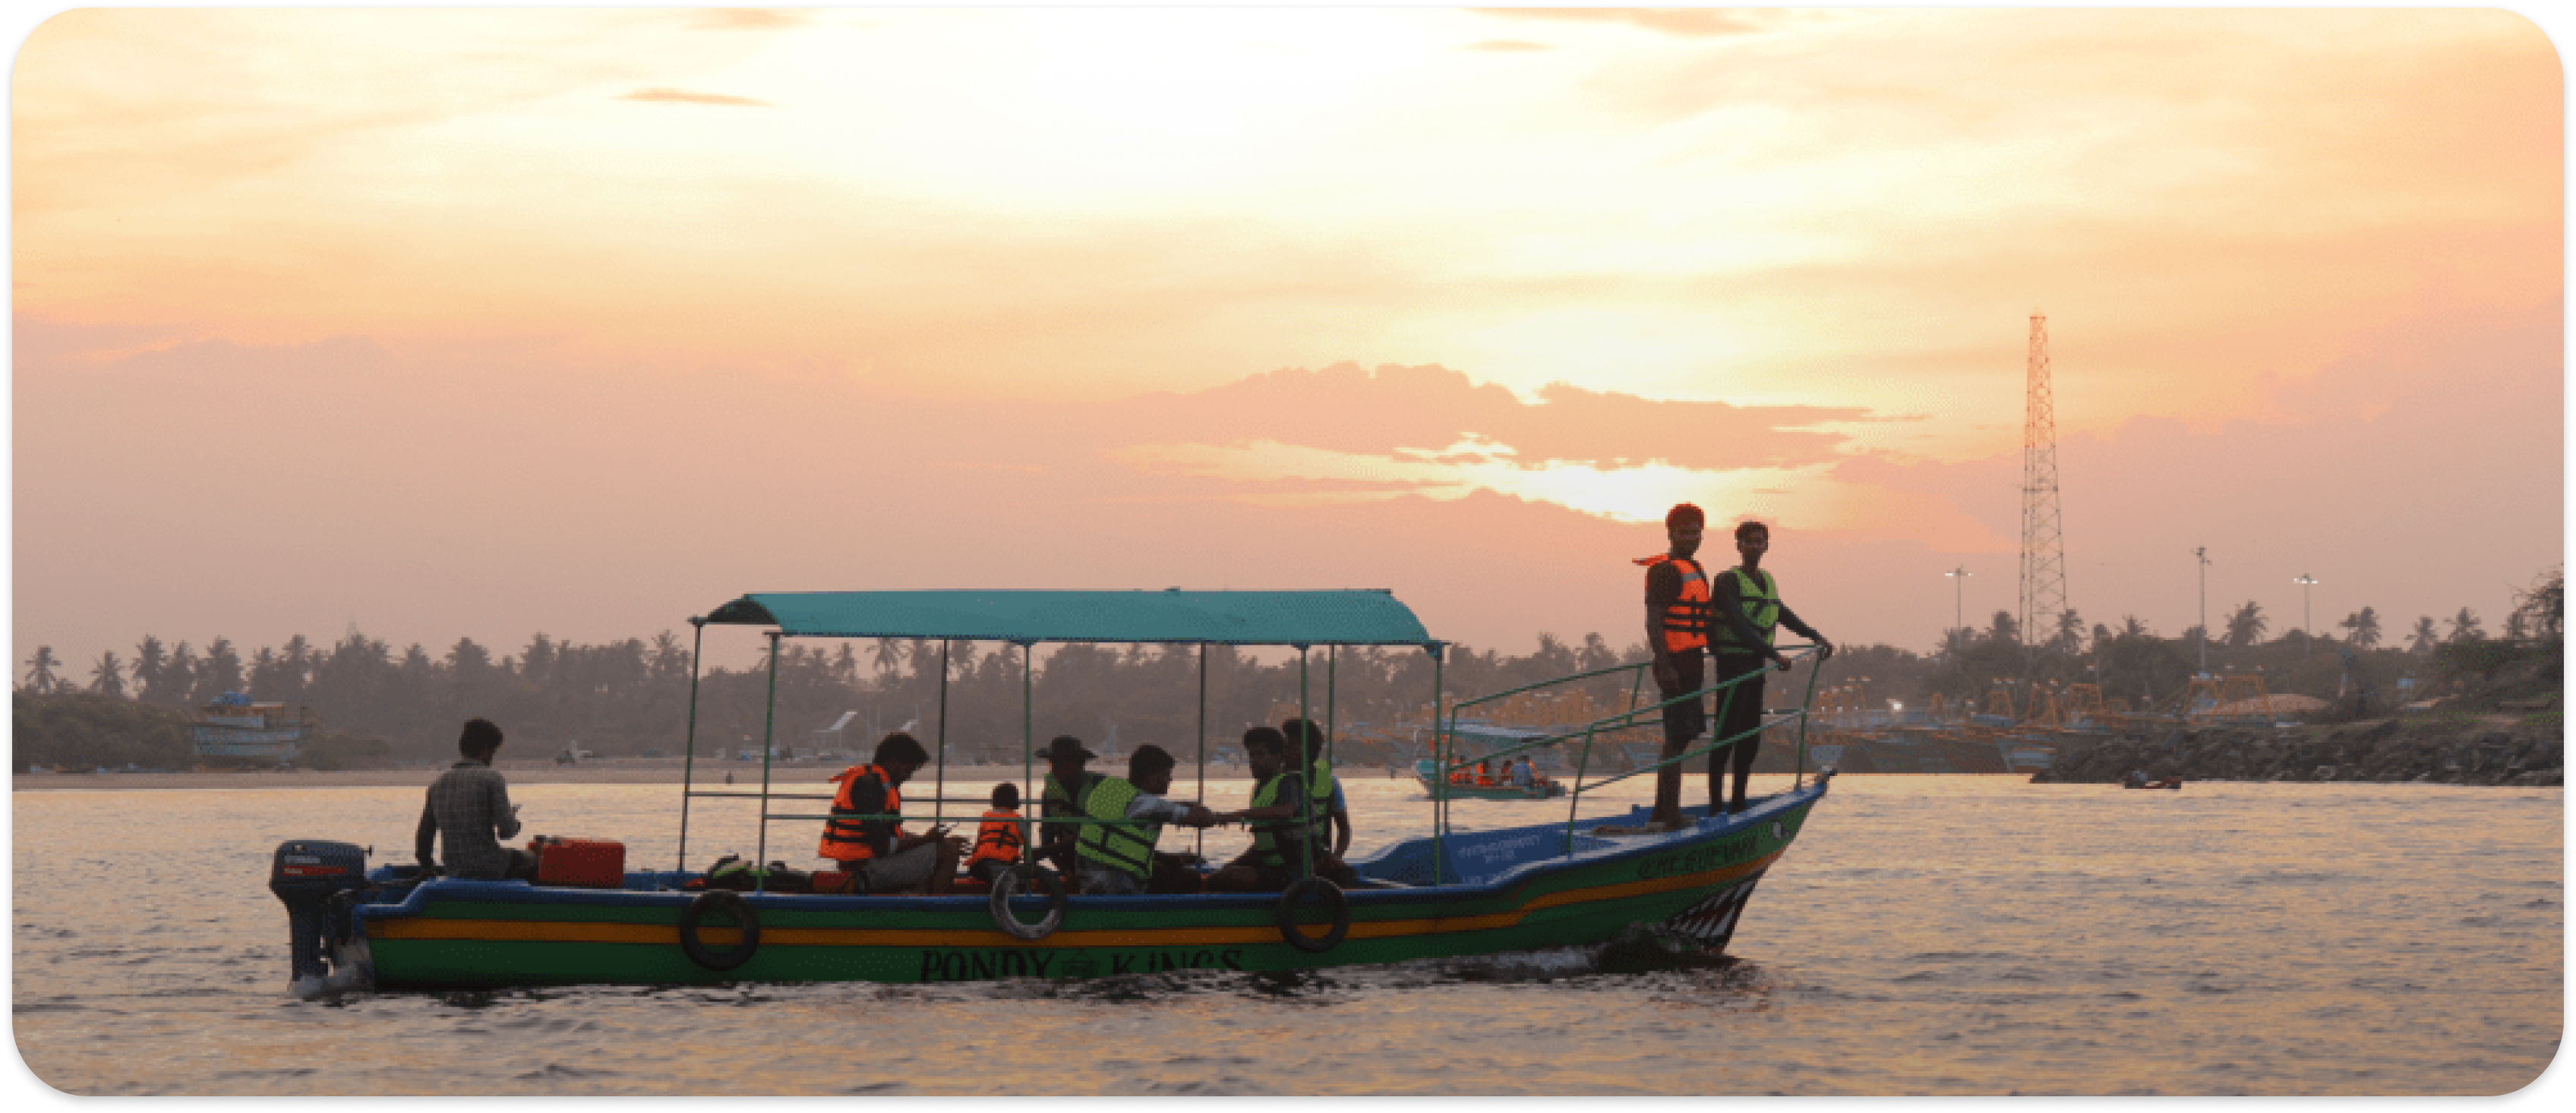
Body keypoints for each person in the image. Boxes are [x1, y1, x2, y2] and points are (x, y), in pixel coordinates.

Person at [1706, 520, 1833, 815]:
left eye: (1759, 541)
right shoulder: (1727, 580)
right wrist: (1773, 654)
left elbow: (1781, 613)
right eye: (1749, 541)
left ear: (1766, 546)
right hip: (1732, 665)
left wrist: (1814, 636)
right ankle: (1715, 808)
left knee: (1750, 738)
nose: (1754, 546)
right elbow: (1738, 623)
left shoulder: (1767, 580)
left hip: (1755, 666)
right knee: (1725, 735)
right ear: (1738, 545)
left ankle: (1738, 803)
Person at [1641, 503, 1715, 829]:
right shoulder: (1666, 571)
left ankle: (1662, 811)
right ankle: (1669, 814)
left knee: (1682, 737)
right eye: (1684, 532)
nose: (1691, 538)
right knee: (1676, 738)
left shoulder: (1694, 568)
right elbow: (1653, 620)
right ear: (1670, 534)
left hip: (1692, 660)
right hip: (1675, 664)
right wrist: (1666, 665)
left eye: (1696, 532)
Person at [818, 732, 965, 894]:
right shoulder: (869, 786)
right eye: (910, 769)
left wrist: (931, 839)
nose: (909, 776)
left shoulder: (873, 782)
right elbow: (883, 847)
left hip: (867, 863)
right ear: (894, 763)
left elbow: (888, 834)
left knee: (944, 846)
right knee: (949, 852)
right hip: (865, 870)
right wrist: (928, 840)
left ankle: (916, 899)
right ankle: (936, 908)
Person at [1072, 744, 1221, 895]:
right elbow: (1203, 818)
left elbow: (1139, 815)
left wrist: (1168, 858)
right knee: (1191, 879)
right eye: (1167, 774)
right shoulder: (1146, 803)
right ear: (1152, 776)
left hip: (1088, 877)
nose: (1170, 779)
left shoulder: (1112, 789)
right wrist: (1217, 816)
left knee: (1167, 871)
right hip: (1118, 885)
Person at [415, 717, 535, 880]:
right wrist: (514, 820)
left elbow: (424, 836)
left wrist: (427, 867)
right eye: (493, 752)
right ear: (486, 750)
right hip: (490, 866)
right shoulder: (492, 779)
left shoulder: (437, 785)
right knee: (533, 859)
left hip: (452, 868)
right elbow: (507, 832)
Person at [1204, 727, 1310, 893]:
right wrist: (1233, 864)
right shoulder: (1259, 789)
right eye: (1251, 755)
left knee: (1223, 879)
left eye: (1260, 755)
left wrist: (1237, 815)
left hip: (1290, 872)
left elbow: (1286, 812)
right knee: (1219, 873)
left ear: (1278, 756)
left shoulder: (1289, 783)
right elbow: (1263, 844)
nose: (1254, 761)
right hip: (1269, 865)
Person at [1282, 717, 1350, 859]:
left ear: (1309, 749)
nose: (1285, 751)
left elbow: (1344, 828)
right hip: (1281, 859)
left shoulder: (1330, 782)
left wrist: (1336, 857)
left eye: (1290, 745)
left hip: (1317, 856)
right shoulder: (1274, 780)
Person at [1035, 735, 1099, 877]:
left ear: (1077, 764)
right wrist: (1066, 872)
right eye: (1051, 763)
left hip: (1099, 859)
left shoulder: (1099, 787)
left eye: (1057, 763)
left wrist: (1047, 851)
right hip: (1068, 859)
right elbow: (1047, 839)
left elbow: (1099, 834)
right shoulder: (1049, 794)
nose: (1052, 769)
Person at [962, 782, 1026, 883]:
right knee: (1009, 880)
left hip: (977, 866)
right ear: (1015, 802)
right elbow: (1027, 848)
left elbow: (978, 844)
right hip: (1001, 864)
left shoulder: (986, 817)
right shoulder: (1019, 820)